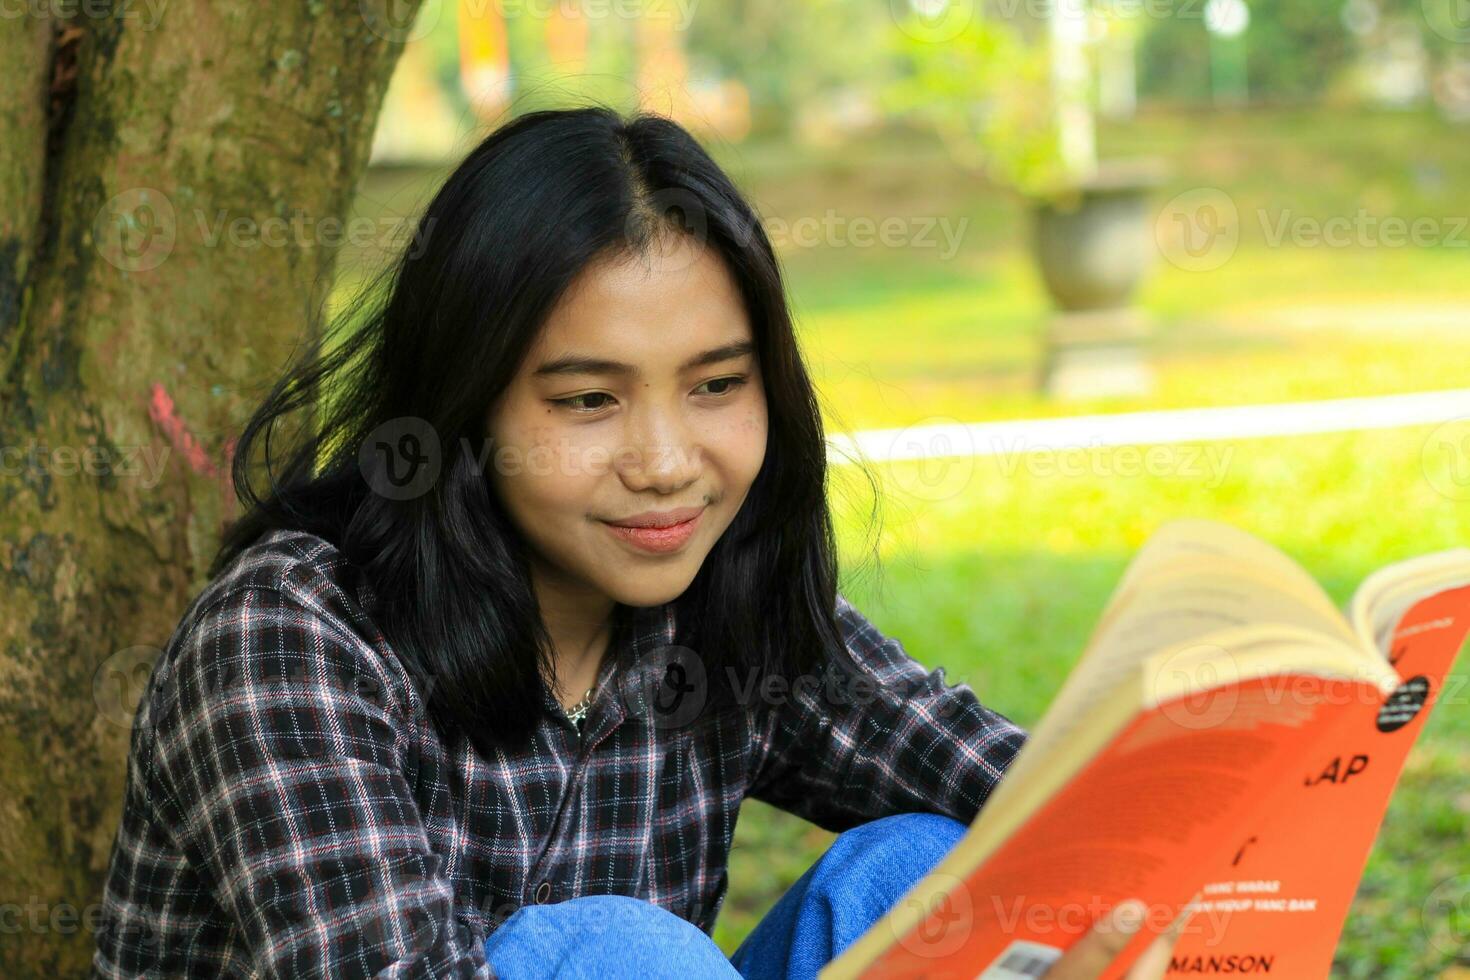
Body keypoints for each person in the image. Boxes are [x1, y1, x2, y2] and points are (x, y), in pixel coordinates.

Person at [93, 106, 1185, 978]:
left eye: (716, 385)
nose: (666, 460)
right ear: (468, 405)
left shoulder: (715, 603)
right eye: (586, 401)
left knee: (926, 872)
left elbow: (1029, 789)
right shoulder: (289, 639)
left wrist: (1298, 738)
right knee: (620, 953)